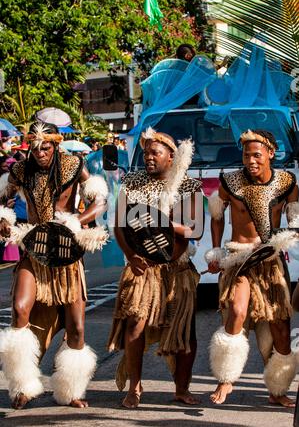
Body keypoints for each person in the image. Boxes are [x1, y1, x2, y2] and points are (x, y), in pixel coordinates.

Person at [0, 122, 108, 409]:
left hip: (66, 252)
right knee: (20, 309)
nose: (40, 153)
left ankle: (71, 390)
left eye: (45, 147)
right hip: (33, 248)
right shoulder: (20, 171)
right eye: (35, 148)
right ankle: (23, 385)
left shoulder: (74, 165)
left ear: (55, 145)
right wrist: (4, 219)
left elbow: (100, 201)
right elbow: (3, 199)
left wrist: (77, 222)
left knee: (77, 328)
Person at [107, 127, 203, 408]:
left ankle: (182, 389)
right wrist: (130, 256)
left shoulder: (188, 186)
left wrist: (163, 223)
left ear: (171, 157)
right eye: (146, 152)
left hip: (177, 268)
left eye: (155, 152)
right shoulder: (132, 182)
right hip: (141, 266)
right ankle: (134, 387)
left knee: (185, 331)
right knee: (135, 324)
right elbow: (120, 225)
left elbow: (194, 230)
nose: (148, 157)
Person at [206, 129, 298, 407]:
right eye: (246, 155)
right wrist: (216, 251)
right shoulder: (230, 182)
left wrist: (280, 239)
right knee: (237, 310)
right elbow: (217, 216)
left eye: (257, 154)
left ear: (271, 153)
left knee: (280, 327)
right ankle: (226, 379)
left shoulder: (287, 183)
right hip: (239, 259)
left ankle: (278, 390)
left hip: (270, 261)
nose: (251, 160)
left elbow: (295, 223)